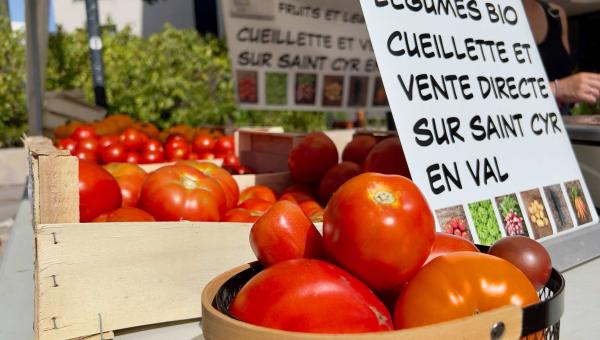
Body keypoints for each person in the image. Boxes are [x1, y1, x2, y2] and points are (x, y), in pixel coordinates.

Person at [523, 0, 600, 105]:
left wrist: (588, 87)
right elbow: (497, 92)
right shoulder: (495, 17)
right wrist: (558, 88)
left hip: (559, 118)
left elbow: (566, 77)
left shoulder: (555, 14)